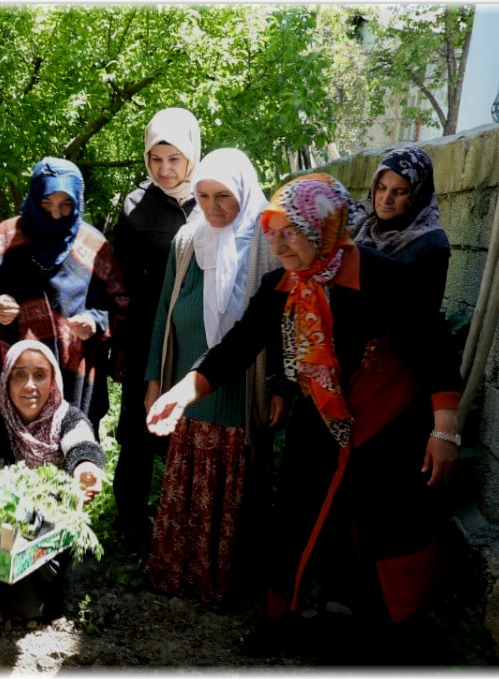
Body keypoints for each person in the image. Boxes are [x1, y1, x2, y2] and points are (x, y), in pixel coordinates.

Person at [146, 174, 460, 660]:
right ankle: (280, 622)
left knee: (387, 524)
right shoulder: (284, 285)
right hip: (320, 415)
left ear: (323, 228)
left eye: (291, 233)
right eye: (273, 232)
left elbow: (433, 343)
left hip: (387, 420)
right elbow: (239, 345)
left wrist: (445, 427)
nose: (278, 245)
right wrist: (184, 391)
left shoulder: (381, 276)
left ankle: (395, 634)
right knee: (296, 515)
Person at [140, 148, 273, 605]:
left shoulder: (267, 244)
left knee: (233, 485)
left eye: (224, 196)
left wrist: (279, 386)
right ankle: (179, 574)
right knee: (189, 480)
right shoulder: (187, 243)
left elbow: (278, 329)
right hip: (188, 384)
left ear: (244, 194)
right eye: (203, 196)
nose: (213, 207)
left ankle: (225, 584)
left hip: (241, 391)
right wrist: (155, 381)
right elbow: (164, 314)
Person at [0, 339, 104, 620]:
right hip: (0, 520)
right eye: (19, 375)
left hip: (46, 523)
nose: (29, 385)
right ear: (6, 380)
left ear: (53, 381)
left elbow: (82, 446)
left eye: (40, 375)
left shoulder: (68, 418)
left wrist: (85, 468)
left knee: (40, 596)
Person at [0, 157, 128, 431]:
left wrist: (95, 322)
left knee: (73, 448)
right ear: (33, 198)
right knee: (12, 448)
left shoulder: (94, 246)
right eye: (46, 203)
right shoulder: (4, 237)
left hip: (75, 377)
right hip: (16, 373)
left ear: (78, 202)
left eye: (65, 205)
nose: (55, 215)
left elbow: (121, 304)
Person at [109, 106, 201, 547]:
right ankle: (129, 518)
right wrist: (122, 345)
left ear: (192, 157)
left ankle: (181, 517)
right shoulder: (134, 205)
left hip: (195, 332)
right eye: (156, 159)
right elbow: (118, 280)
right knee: (138, 425)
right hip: (146, 331)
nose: (165, 170)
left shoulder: (210, 198)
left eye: (174, 159)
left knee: (191, 423)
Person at [353, 146, 451, 314]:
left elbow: (417, 313)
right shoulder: (359, 221)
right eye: (381, 188)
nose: (386, 199)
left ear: (417, 193)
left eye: (399, 192)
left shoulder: (430, 243)